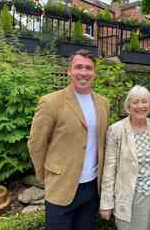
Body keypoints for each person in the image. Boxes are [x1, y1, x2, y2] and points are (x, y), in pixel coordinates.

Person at [28, 49, 110, 230]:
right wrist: (46, 176)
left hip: (91, 188)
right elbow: (36, 143)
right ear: (69, 71)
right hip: (60, 187)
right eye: (78, 67)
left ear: (94, 73)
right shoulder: (51, 102)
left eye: (88, 68)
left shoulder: (103, 104)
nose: (83, 72)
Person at [100, 85, 150, 230]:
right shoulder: (116, 130)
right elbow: (109, 170)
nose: (140, 106)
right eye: (135, 102)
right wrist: (106, 203)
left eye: (144, 101)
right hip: (131, 198)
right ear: (128, 105)